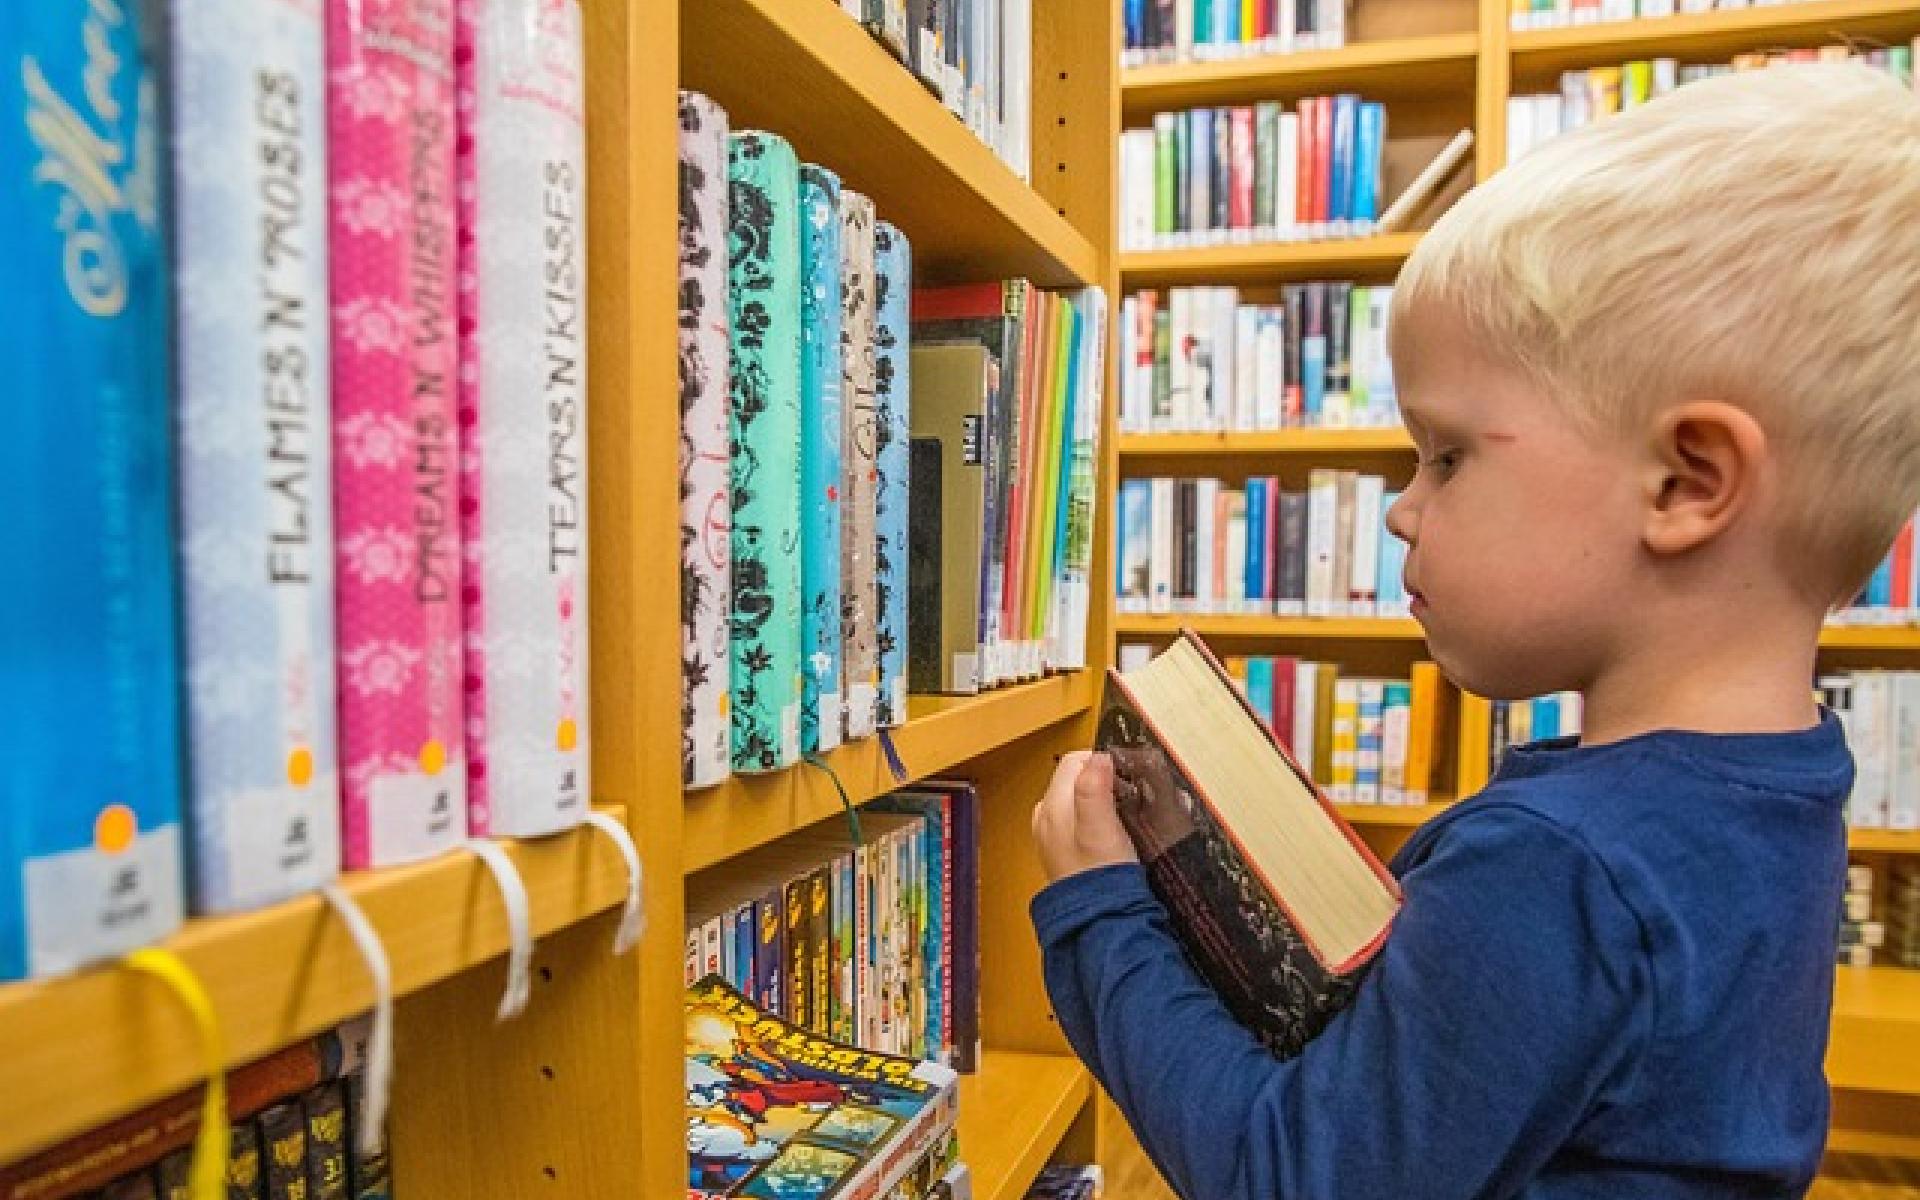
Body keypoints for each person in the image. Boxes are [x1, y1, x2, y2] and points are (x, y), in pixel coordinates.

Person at [1030, 63, 1920, 1199]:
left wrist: (1098, 914)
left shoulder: (1561, 869)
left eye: (1446, 455)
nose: (1402, 506)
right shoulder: (1783, 783)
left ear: (1687, 483)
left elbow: (1285, 1179)